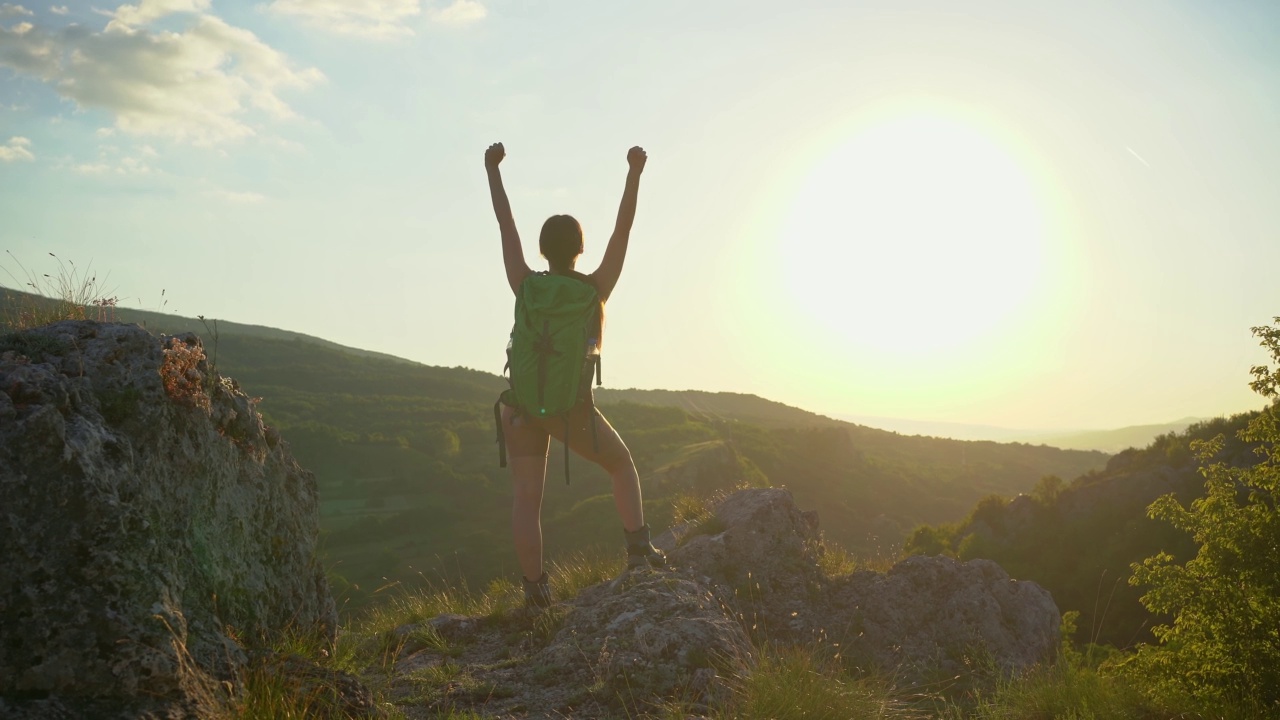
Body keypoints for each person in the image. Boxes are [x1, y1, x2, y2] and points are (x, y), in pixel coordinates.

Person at [485, 142, 666, 608]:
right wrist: (634, 173)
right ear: (580, 249)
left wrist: (493, 171)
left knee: (527, 498)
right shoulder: (594, 289)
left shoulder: (524, 284)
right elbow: (623, 230)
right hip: (569, 410)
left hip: (520, 407)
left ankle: (535, 594)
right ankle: (639, 554)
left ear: (543, 250)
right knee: (621, 464)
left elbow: (505, 224)